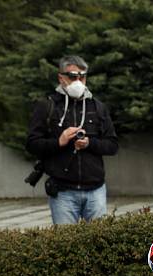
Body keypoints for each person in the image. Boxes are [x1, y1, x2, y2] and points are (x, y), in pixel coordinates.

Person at [25, 55, 118, 225]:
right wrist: (58, 142)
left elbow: (112, 145)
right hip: (63, 192)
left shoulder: (97, 106)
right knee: (65, 245)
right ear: (61, 77)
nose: (78, 81)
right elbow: (32, 144)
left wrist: (90, 143)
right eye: (72, 76)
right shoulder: (47, 105)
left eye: (82, 76)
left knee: (100, 243)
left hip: (95, 189)